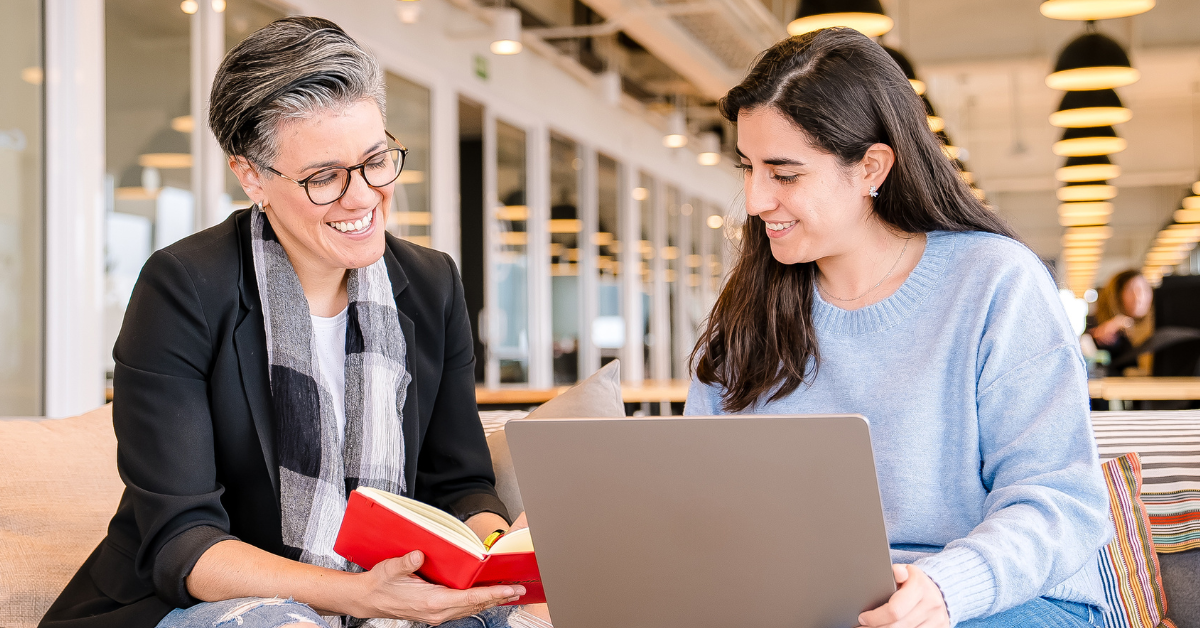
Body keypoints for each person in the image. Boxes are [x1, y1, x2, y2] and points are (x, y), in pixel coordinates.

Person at [42, 17, 549, 628]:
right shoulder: (183, 288)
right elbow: (183, 541)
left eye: (375, 161)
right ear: (250, 175)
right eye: (324, 177)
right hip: (210, 600)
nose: (362, 197)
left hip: (384, 589)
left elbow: (458, 480)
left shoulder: (430, 283)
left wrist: (492, 549)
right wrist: (354, 596)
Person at [685, 29, 1112, 628]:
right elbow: (698, 495)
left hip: (999, 599)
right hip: (816, 606)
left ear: (872, 168)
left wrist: (948, 586)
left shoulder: (993, 282)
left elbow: (1061, 500)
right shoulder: (751, 307)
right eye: (748, 168)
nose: (756, 200)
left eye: (784, 174)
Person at [1089, 269, 1154, 373]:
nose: (1138, 297)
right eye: (1131, 290)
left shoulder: (1157, 325)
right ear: (1117, 296)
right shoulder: (1101, 325)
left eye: (1144, 290)